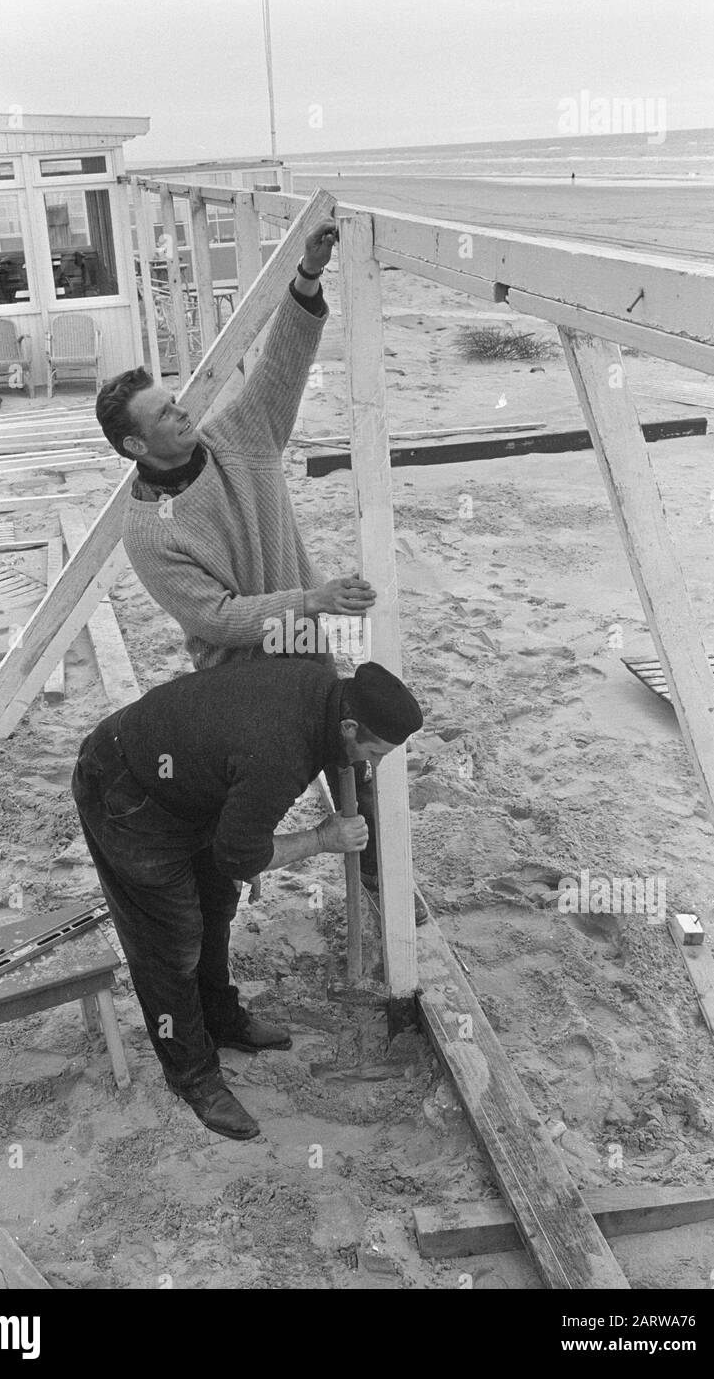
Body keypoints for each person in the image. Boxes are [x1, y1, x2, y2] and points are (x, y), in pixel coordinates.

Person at [95, 220, 381, 880]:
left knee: (352, 755)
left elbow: (282, 364)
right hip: (236, 678)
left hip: (304, 647)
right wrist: (312, 597)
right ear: (136, 447)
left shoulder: (240, 437)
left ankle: (372, 870)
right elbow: (214, 618)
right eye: (163, 415)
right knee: (238, 805)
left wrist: (306, 277)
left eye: (176, 401)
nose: (181, 414)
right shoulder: (147, 529)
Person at [71, 656, 424, 1140]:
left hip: (192, 783)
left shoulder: (323, 688)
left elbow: (239, 836)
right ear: (347, 726)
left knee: (217, 906)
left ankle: (221, 1018)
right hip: (125, 792)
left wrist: (245, 844)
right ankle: (193, 1076)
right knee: (171, 947)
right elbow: (240, 854)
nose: (374, 764)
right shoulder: (280, 752)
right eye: (375, 751)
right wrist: (321, 839)